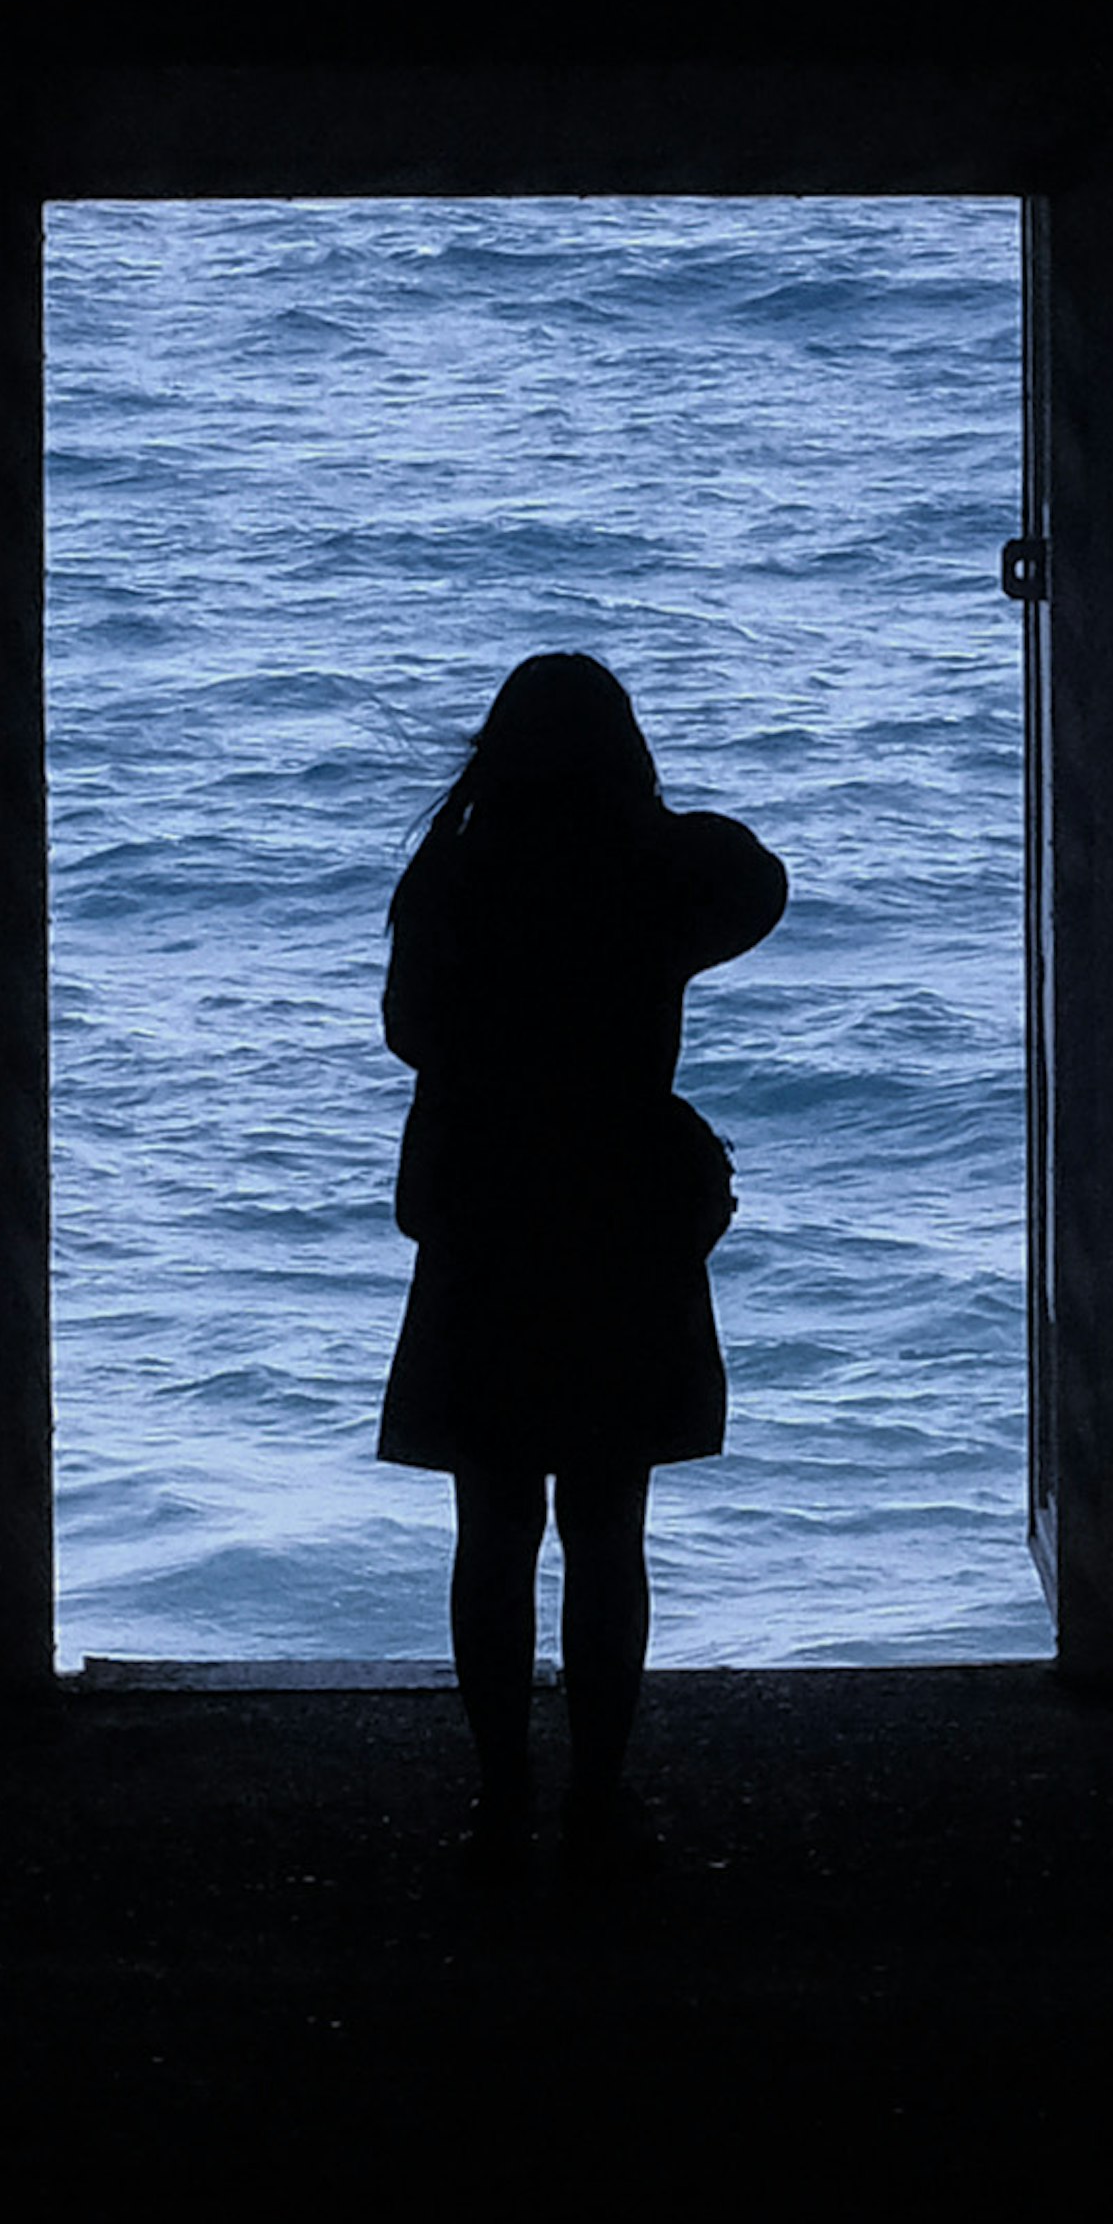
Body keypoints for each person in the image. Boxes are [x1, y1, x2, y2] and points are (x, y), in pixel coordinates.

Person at [374, 651, 787, 1870]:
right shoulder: (648, 875)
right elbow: (757, 881)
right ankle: (598, 1791)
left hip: (489, 1217)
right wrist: (641, 821)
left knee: (491, 1521)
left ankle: (504, 1787)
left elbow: (409, 1033)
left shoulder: (453, 874)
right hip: (621, 1214)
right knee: (610, 1522)